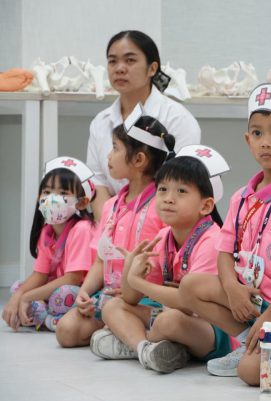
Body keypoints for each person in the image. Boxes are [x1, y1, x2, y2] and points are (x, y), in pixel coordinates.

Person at [179, 83, 271, 384]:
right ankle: (250, 339)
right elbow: (225, 251)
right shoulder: (241, 197)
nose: (266, 142)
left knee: (249, 373)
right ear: (248, 140)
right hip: (254, 299)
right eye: (258, 133)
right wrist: (231, 288)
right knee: (190, 286)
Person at [90, 145, 234, 374]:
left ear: (206, 205)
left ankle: (133, 341)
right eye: (163, 189)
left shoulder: (212, 240)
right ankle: (145, 349)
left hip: (212, 328)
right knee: (113, 306)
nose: (168, 199)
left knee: (168, 321)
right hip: (172, 314)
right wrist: (130, 271)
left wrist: (139, 282)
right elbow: (130, 297)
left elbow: (187, 302)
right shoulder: (163, 236)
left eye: (181, 191)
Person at [55, 111, 175, 348]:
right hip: (108, 295)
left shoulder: (162, 206)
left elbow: (165, 266)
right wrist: (85, 292)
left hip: (147, 298)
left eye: (115, 148)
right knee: (66, 331)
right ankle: (123, 332)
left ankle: (132, 336)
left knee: (116, 314)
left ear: (139, 160)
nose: (109, 156)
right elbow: (101, 261)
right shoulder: (111, 205)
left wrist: (134, 291)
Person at [87, 30, 201, 220]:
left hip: (162, 226)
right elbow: (98, 183)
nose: (119, 68)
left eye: (130, 60)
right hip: (112, 227)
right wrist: (109, 230)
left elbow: (183, 186)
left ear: (152, 68)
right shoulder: (101, 122)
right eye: (113, 61)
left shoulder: (178, 119)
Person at [2, 157, 95, 332]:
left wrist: (27, 296)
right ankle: (49, 318)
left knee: (63, 294)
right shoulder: (47, 232)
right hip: (57, 288)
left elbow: (73, 279)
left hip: (80, 291)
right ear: (40, 197)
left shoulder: (82, 229)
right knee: (18, 287)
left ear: (82, 202)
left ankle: (48, 319)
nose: (52, 198)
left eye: (63, 192)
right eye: (47, 191)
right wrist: (19, 295)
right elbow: (40, 274)